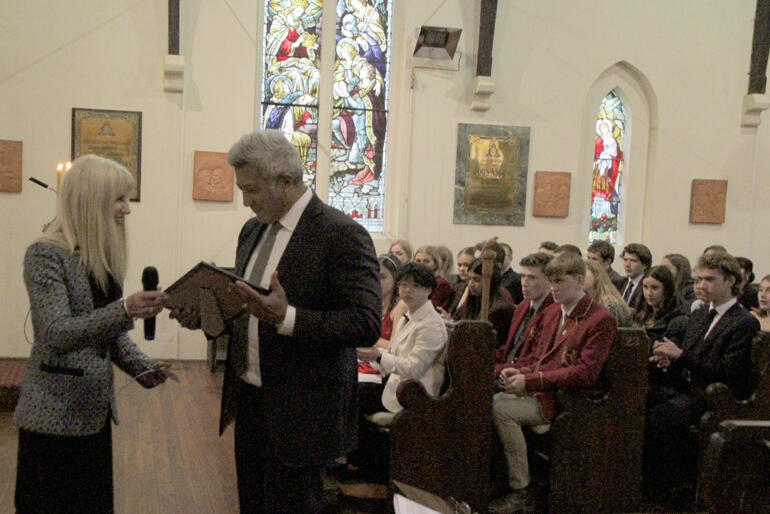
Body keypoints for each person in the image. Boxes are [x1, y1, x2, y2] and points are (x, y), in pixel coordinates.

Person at [173, 129, 381, 513]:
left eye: (252, 190)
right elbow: (245, 307)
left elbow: (366, 322)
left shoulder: (341, 234)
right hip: (250, 399)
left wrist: (288, 318)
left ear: (286, 181)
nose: (246, 202)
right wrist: (208, 315)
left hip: (303, 411)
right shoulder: (253, 230)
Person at [14, 155, 171, 512]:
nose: (127, 209)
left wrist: (144, 367)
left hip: (93, 415)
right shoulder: (45, 254)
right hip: (52, 419)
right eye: (119, 198)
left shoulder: (98, 256)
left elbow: (108, 334)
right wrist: (127, 308)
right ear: (91, 199)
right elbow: (56, 334)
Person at [489, 254, 616, 514]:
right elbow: (539, 359)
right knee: (491, 396)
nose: (554, 287)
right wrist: (517, 372)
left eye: (560, 281)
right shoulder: (552, 313)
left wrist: (531, 381)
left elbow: (585, 373)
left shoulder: (599, 318)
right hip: (546, 391)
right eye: (551, 281)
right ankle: (497, 478)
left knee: (501, 408)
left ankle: (521, 490)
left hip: (572, 400)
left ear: (579, 280)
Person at [644, 253, 759, 507]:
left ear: (730, 281)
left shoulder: (744, 322)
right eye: (698, 279)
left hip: (717, 397)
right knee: (638, 401)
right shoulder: (700, 315)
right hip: (689, 389)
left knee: (658, 419)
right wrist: (669, 359)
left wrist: (681, 356)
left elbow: (729, 373)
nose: (700, 285)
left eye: (709, 279)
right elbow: (689, 357)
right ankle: (645, 485)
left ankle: (670, 492)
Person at [494, 252, 554, 375]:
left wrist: (495, 370)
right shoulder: (523, 305)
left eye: (532, 278)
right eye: (523, 276)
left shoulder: (553, 311)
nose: (524, 283)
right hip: (508, 367)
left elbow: (534, 358)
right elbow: (510, 348)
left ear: (549, 281)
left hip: (525, 374)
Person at [456, 258, 514, 348]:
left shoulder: (500, 308)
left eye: (476, 279)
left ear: (491, 281)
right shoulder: (474, 298)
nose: (470, 284)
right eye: (469, 279)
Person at [632, 266, 687, 343]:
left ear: (667, 289)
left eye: (655, 288)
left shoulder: (678, 320)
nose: (649, 293)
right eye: (645, 287)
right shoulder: (641, 312)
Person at [583, 259, 633, 326]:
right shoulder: (591, 300)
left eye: (583, 273)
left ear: (596, 276)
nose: (579, 278)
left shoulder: (609, 304)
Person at [414, 245, 452, 310]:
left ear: (435, 264)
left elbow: (431, 308)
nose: (421, 265)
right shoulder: (413, 282)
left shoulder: (441, 284)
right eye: (418, 261)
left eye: (426, 261)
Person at [619, 243, 652, 310]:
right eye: (625, 260)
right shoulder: (620, 283)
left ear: (645, 265)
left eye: (633, 261)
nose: (627, 265)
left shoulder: (647, 286)